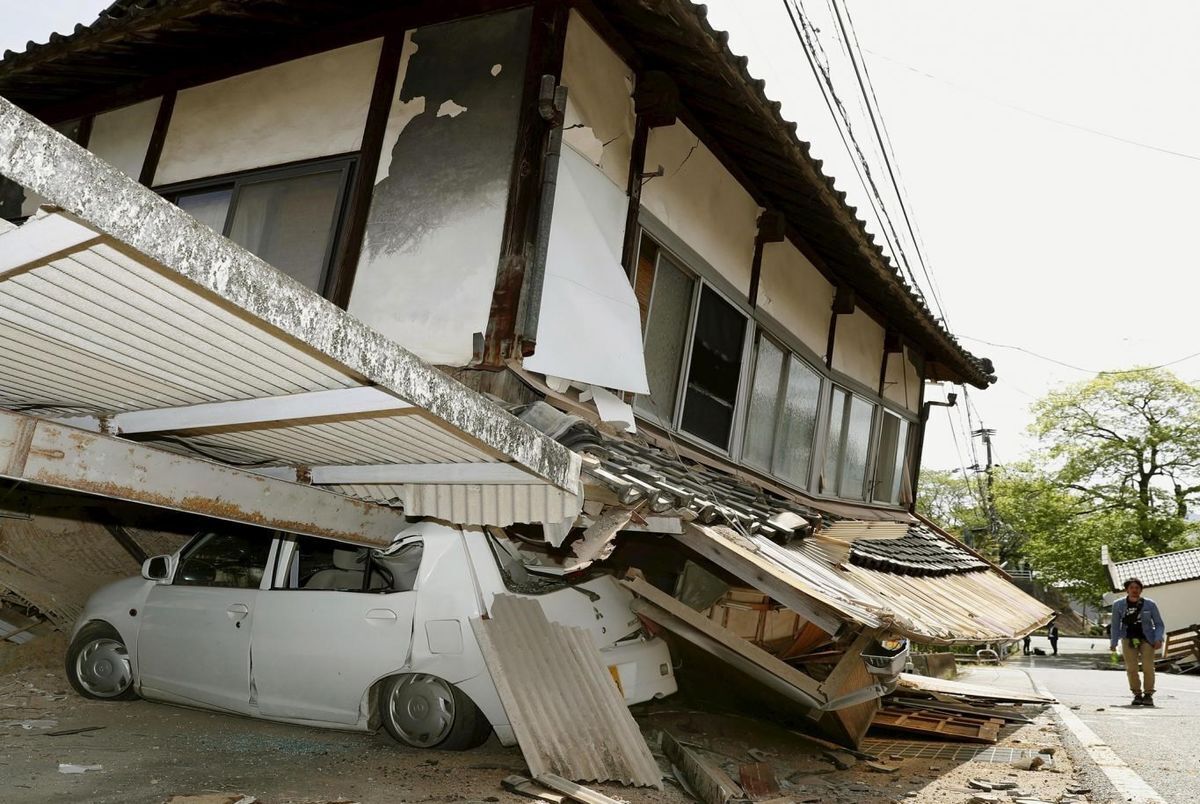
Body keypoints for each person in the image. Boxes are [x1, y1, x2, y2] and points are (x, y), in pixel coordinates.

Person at [1109, 577, 1165, 707]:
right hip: (1128, 638)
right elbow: (1115, 625)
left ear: (1141, 590)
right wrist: (1114, 642)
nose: (1135, 590)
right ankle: (1137, 694)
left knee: (1148, 667)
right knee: (1131, 668)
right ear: (1127, 590)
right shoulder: (1118, 605)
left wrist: (1158, 638)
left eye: (1137, 588)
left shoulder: (1150, 604)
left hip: (1147, 639)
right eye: (1132, 588)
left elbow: (1159, 624)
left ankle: (1148, 694)